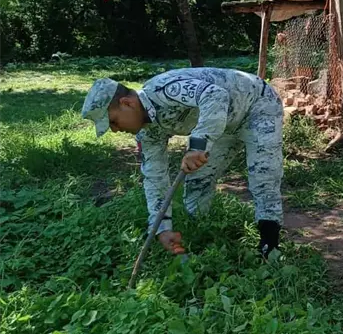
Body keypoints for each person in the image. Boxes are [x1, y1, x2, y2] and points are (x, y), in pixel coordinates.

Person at [81, 67, 284, 259]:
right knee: (198, 179)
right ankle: (203, 236)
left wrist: (197, 146)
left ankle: (270, 247)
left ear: (127, 103)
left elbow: (215, 95)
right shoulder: (146, 132)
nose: (115, 130)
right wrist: (162, 227)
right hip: (222, 122)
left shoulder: (163, 90)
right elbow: (155, 177)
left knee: (263, 174)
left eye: (113, 121)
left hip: (257, 105)